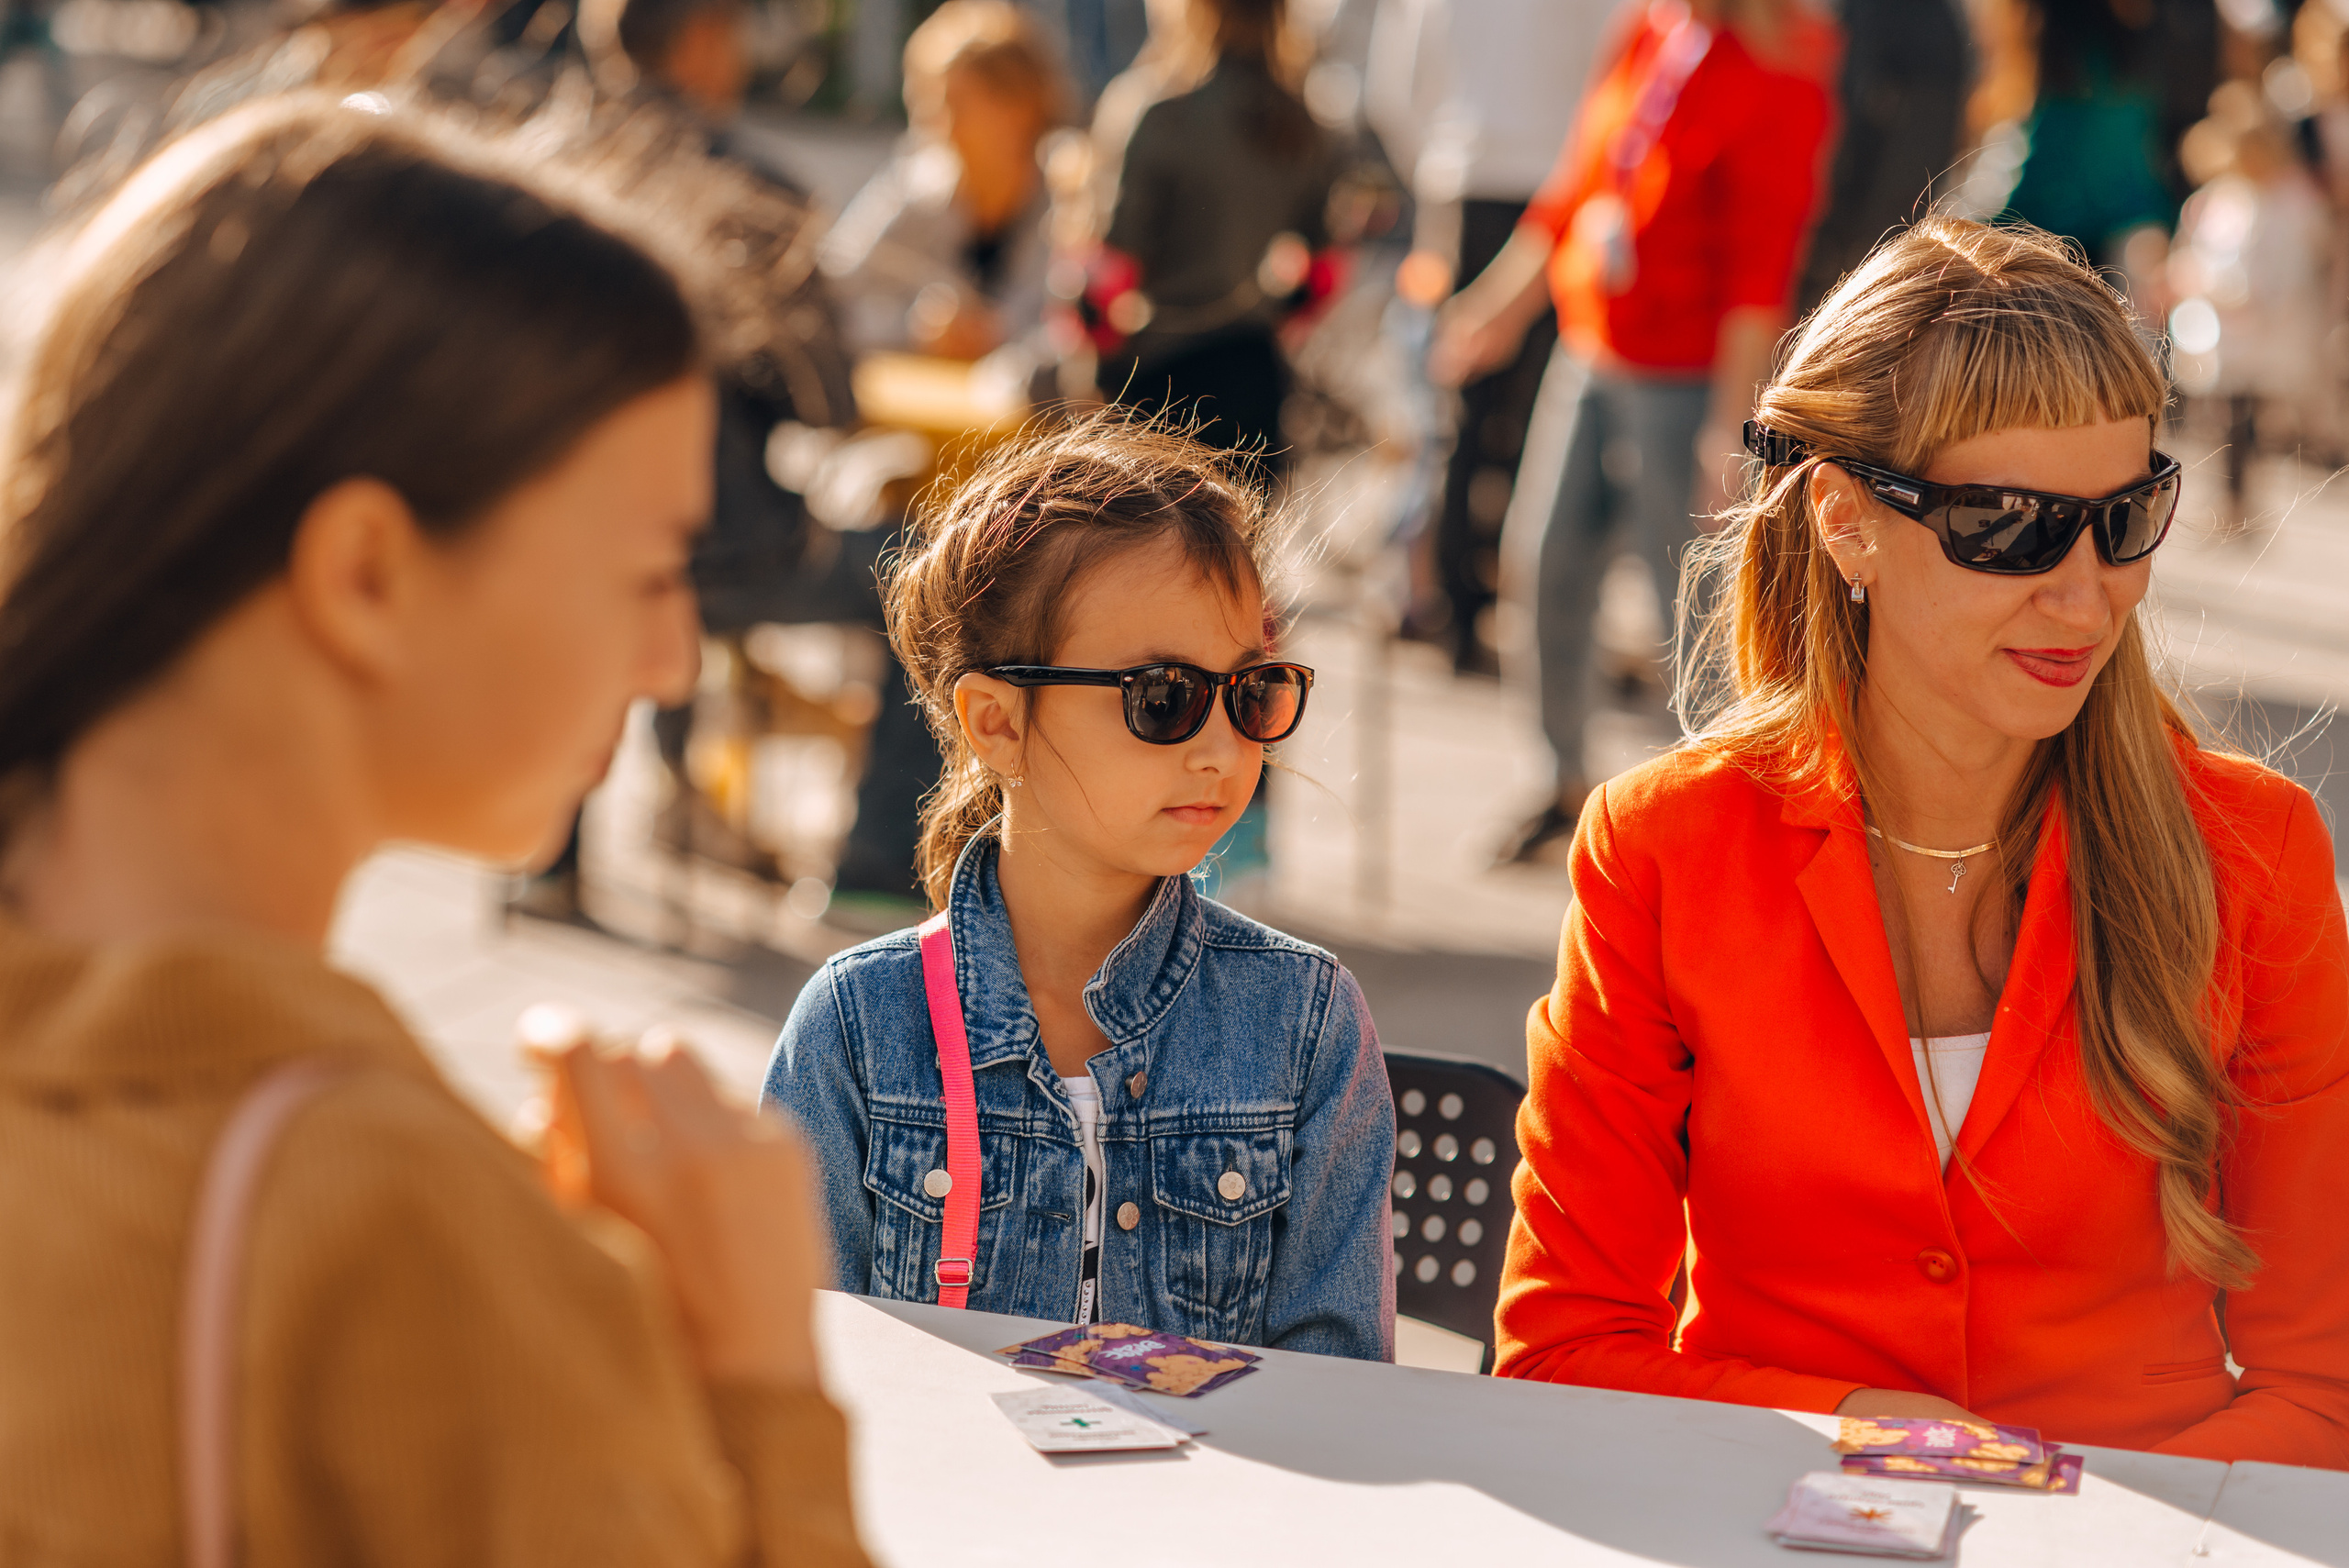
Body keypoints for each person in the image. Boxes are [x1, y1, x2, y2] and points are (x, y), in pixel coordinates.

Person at [0, 95, 870, 1559]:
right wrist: (759, 1393)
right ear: (367, 574)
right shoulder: (401, 1233)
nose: (671, 659)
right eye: (653, 568)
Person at [1497, 217, 2349, 1467]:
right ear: (1846, 522)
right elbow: (1560, 1354)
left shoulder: (2254, 849)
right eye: (2008, 526)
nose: (2086, 590)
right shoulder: (1664, 845)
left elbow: (2321, 1387)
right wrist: (1849, 1429)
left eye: (2127, 517)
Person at [763, 416, 1396, 1358]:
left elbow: (1341, 1391)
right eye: (1162, 696)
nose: (1224, 749)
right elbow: (785, 1359)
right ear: (997, 721)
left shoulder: (1305, 1019)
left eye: (1251, 689)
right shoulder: (856, 1024)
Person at [1431, 0, 1840, 865]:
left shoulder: (1781, 70)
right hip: (1593, 350)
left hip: (1687, 378)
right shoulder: (1650, 30)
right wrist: (1498, 311)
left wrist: (1732, 424)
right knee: (1545, 562)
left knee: (1691, 608)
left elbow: (1759, 272)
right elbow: (1580, 185)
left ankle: (1725, 818)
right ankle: (1561, 777)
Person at [1364, 0, 1613, 674]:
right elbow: (1614, 64)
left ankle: (1458, 601)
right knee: (1536, 414)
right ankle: (1498, 597)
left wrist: (1441, 155)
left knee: (1460, 410)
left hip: (1468, 181)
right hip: (1549, 181)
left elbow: (1395, 87)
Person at [1089, 0, 1341, 465]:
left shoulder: (1160, 114)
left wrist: (1097, 364)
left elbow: (1112, 271)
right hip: (1255, 374)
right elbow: (1323, 275)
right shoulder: (1305, 122)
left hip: (1160, 380)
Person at [820, 0, 1067, 362]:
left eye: (956, 105)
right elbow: (826, 293)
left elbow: (1085, 329)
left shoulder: (1072, 205)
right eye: (928, 106)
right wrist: (913, 329)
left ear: (1020, 109)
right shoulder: (916, 189)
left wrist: (1002, 336)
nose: (937, 127)